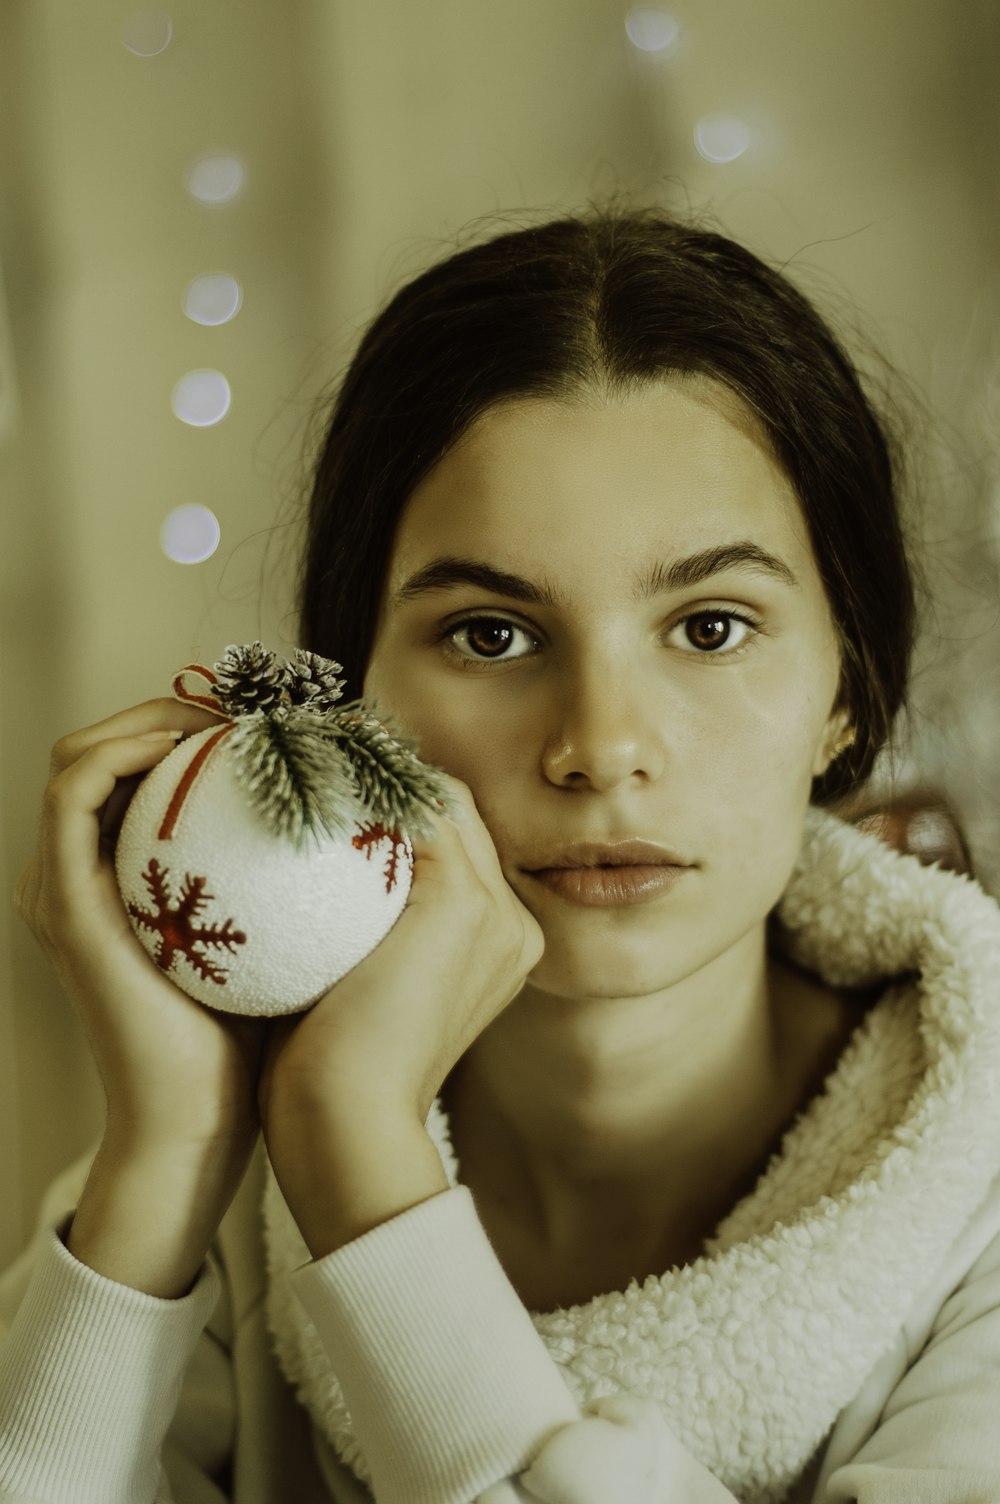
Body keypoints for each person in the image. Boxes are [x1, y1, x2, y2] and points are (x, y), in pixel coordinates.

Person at [2, 208, 1000, 1504]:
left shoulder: (977, 1188)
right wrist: (167, 1150)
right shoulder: (212, 1186)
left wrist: (364, 1172)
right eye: (488, 635)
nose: (600, 747)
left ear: (848, 690)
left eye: (708, 626)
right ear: (351, 699)